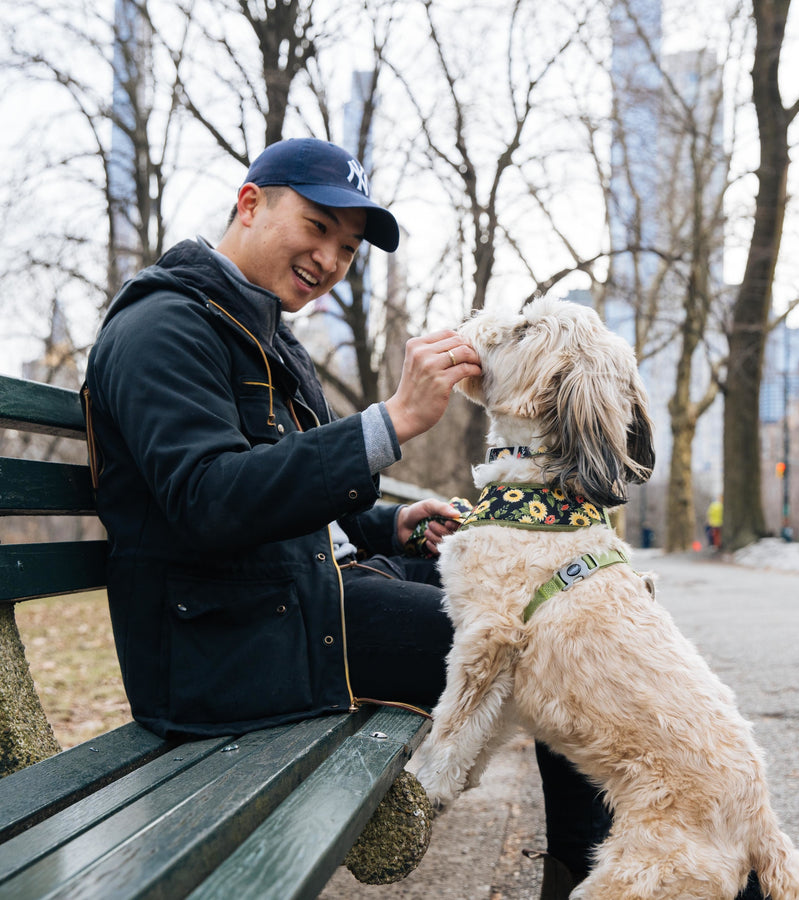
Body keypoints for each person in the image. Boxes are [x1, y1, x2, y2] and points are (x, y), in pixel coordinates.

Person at [82, 138, 614, 897]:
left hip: (294, 599)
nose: (331, 259)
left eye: (348, 247)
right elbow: (208, 499)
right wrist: (390, 422)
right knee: (552, 650)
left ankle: (594, 872)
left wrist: (389, 525)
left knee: (564, 608)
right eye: (318, 226)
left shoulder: (260, 333)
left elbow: (285, 501)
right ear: (251, 202)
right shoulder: (164, 328)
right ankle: (599, 879)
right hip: (233, 646)